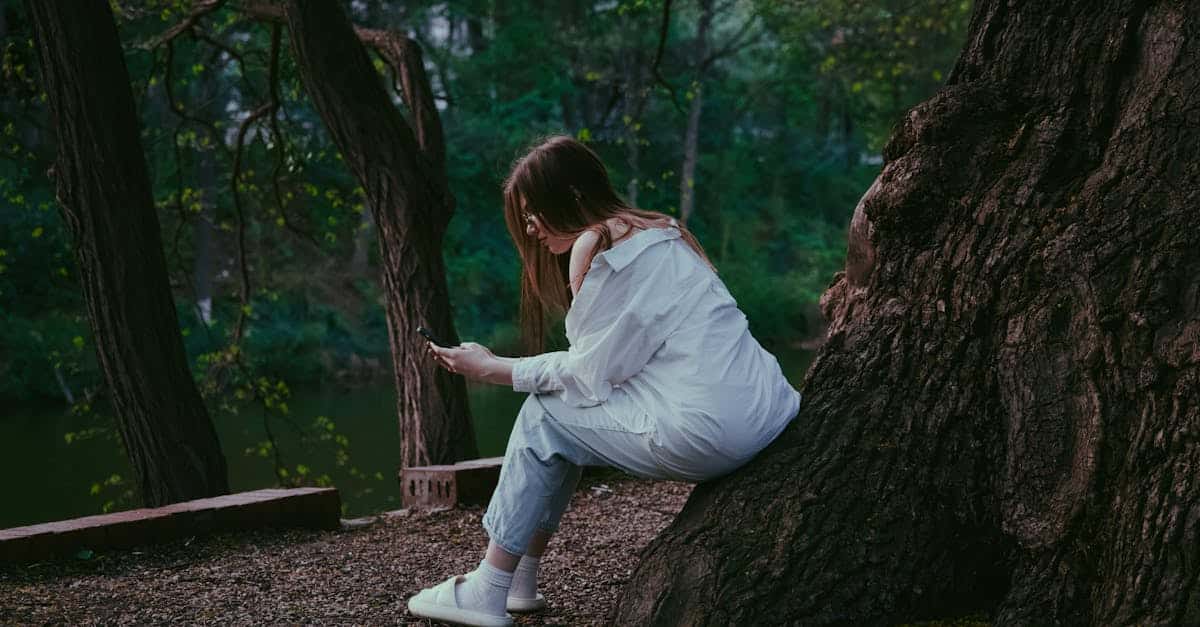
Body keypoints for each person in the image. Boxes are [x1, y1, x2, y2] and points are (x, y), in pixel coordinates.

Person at [407, 135, 801, 626]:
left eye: (534, 214)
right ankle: (521, 582)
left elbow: (587, 375)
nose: (530, 231)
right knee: (557, 417)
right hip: (770, 410)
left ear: (571, 198)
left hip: (713, 434)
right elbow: (618, 364)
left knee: (544, 410)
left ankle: (489, 587)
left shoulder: (599, 243)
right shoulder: (662, 232)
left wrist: (491, 367)